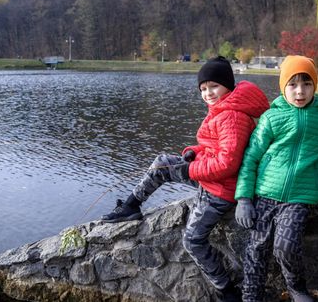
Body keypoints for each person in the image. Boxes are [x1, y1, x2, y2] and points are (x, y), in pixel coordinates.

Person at [101, 56, 269, 301]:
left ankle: (225, 290)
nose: (208, 93)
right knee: (162, 163)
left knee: (192, 240)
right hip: (213, 179)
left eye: (214, 86)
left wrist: (189, 170)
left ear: (228, 86)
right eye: (203, 88)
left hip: (221, 189)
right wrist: (194, 152)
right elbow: (214, 148)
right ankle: (131, 205)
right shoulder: (223, 108)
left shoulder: (231, 116)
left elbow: (228, 164)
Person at [234, 55, 318, 302]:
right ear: (283, 86)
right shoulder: (271, 118)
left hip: (300, 197)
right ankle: (251, 295)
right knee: (256, 249)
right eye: (292, 84)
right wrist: (243, 197)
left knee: (286, 246)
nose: (300, 92)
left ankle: (296, 289)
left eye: (307, 84)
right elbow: (251, 157)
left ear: (315, 85)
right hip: (264, 193)